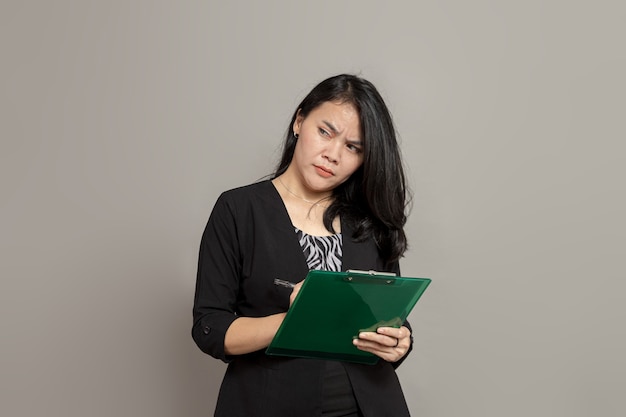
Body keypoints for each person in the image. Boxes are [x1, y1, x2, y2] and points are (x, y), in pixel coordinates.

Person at [192, 74, 413, 417]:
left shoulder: (370, 221)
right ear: (299, 121)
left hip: (372, 404)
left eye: (353, 147)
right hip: (270, 404)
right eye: (325, 132)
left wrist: (400, 340)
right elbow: (210, 328)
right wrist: (301, 318)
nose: (333, 155)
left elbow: (388, 314)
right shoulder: (239, 210)